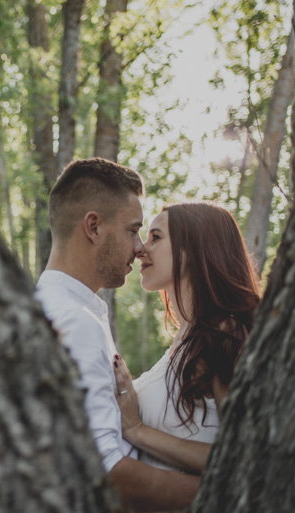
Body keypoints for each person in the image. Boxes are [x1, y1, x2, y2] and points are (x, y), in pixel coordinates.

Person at [36, 158, 199, 512]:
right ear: (93, 227)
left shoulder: (58, 310)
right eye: (132, 230)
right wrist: (228, 495)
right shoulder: (72, 321)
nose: (140, 247)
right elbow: (105, 472)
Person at [113, 202, 259, 474]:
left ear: (194, 250)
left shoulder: (226, 332)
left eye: (156, 237)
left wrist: (137, 430)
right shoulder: (187, 336)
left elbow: (240, 457)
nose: (140, 248)